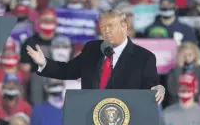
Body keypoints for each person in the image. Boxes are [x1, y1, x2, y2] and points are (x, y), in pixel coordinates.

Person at [26, 9, 165, 104]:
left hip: (125, 119)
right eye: (103, 27)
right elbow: (69, 70)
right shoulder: (92, 49)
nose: (106, 31)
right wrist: (44, 62)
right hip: (91, 116)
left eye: (111, 26)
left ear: (124, 27)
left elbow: (150, 85)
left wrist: (158, 89)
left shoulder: (144, 57)